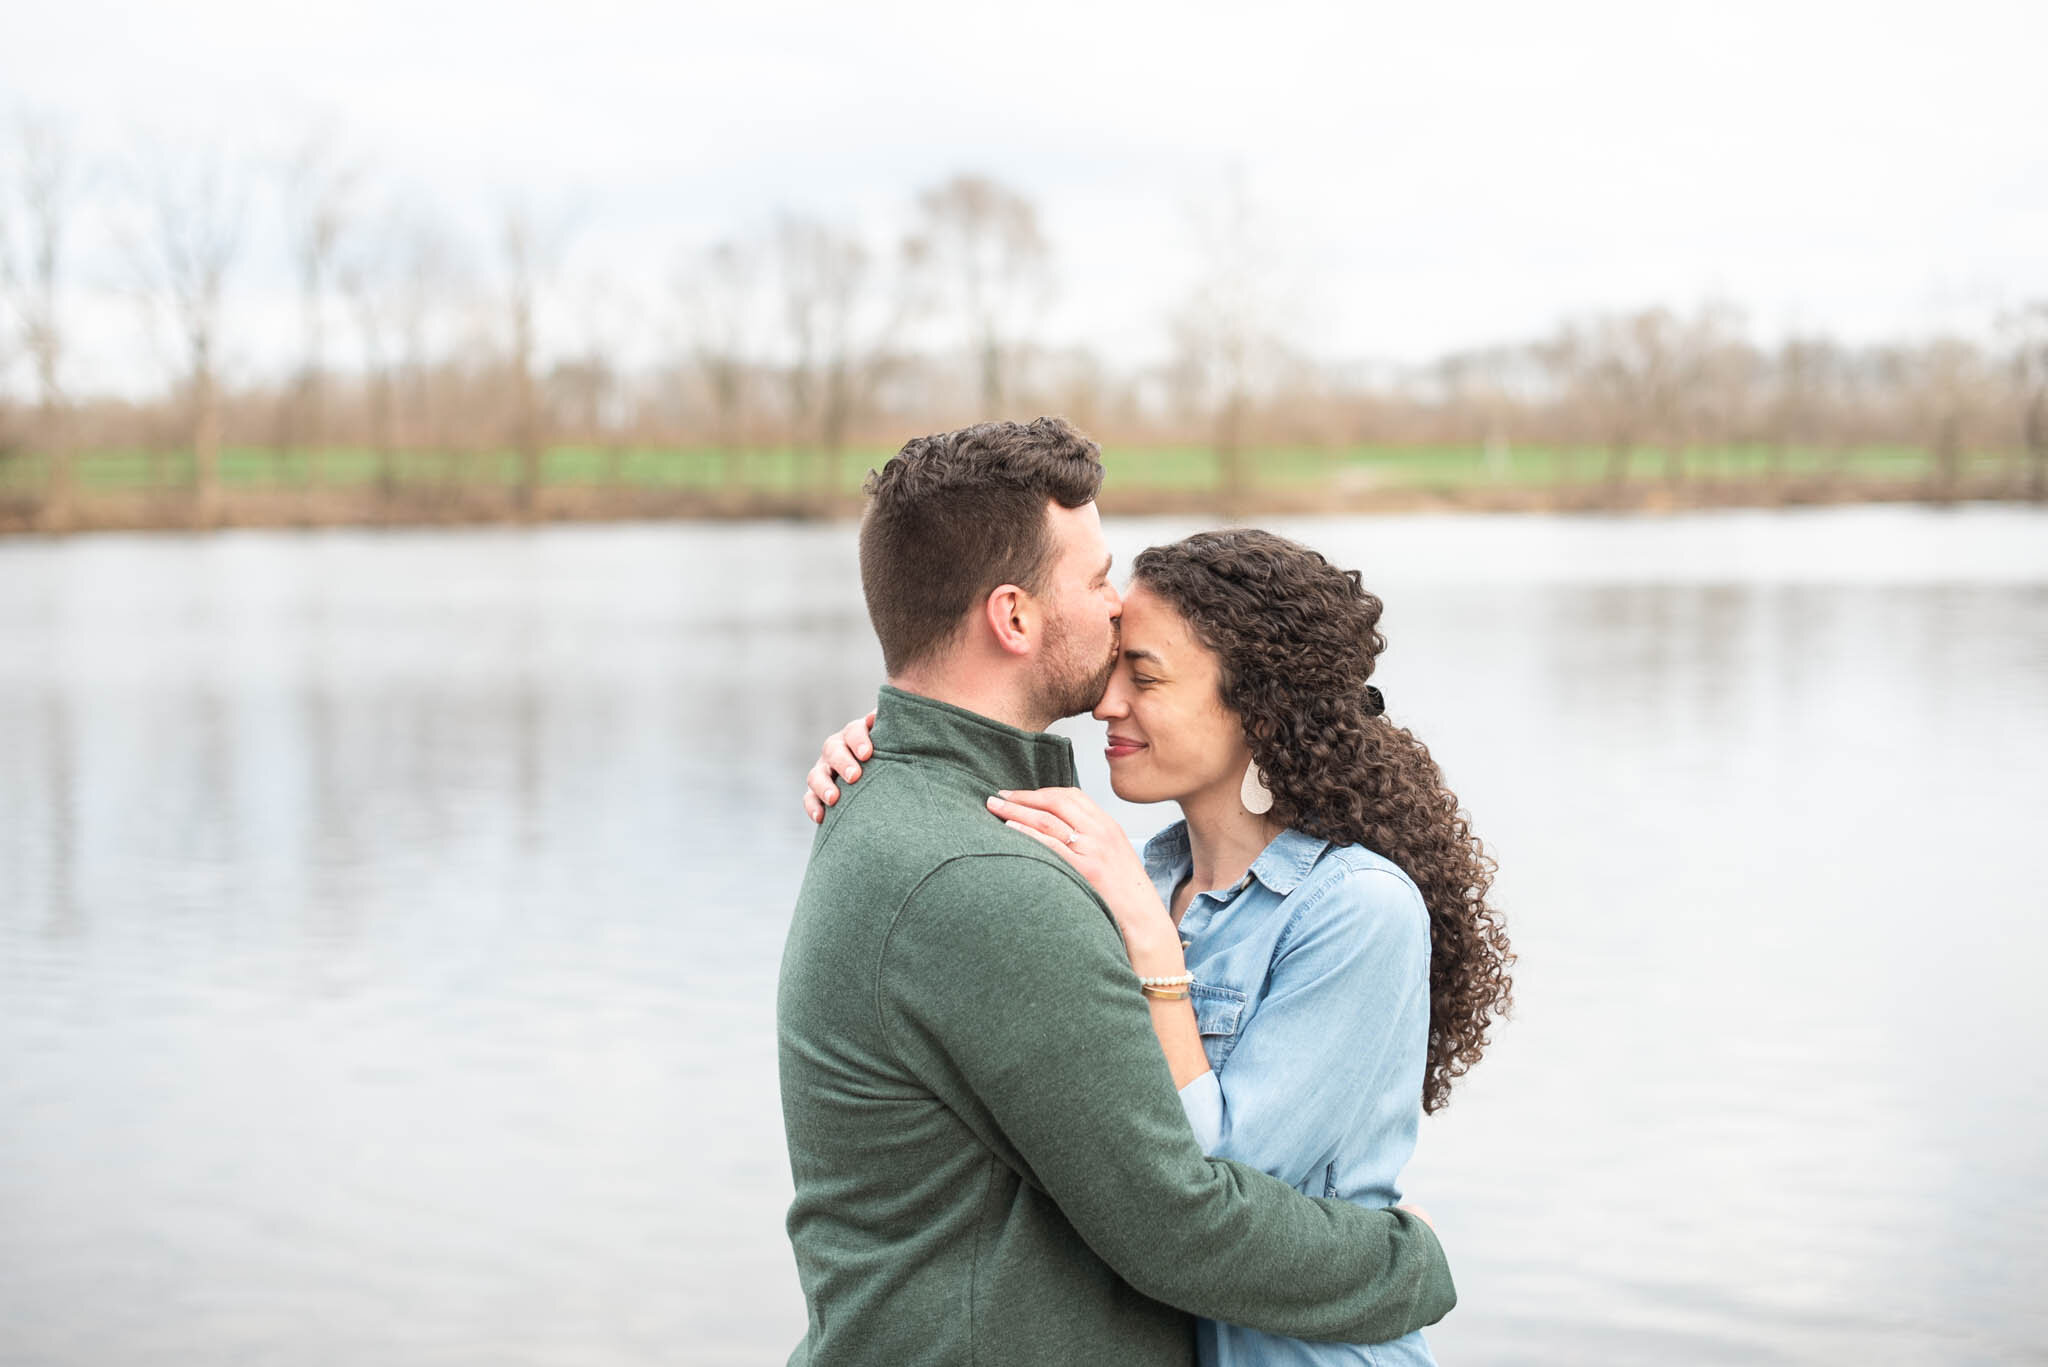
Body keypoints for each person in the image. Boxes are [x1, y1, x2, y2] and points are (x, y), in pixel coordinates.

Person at [778, 417, 1456, 1367]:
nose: (1111, 619)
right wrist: (1408, 1264)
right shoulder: (996, 874)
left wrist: (905, 743)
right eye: (1097, 581)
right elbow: (1184, 1221)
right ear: (1014, 616)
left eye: (1148, 669)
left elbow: (1210, 1188)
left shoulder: (969, 830)